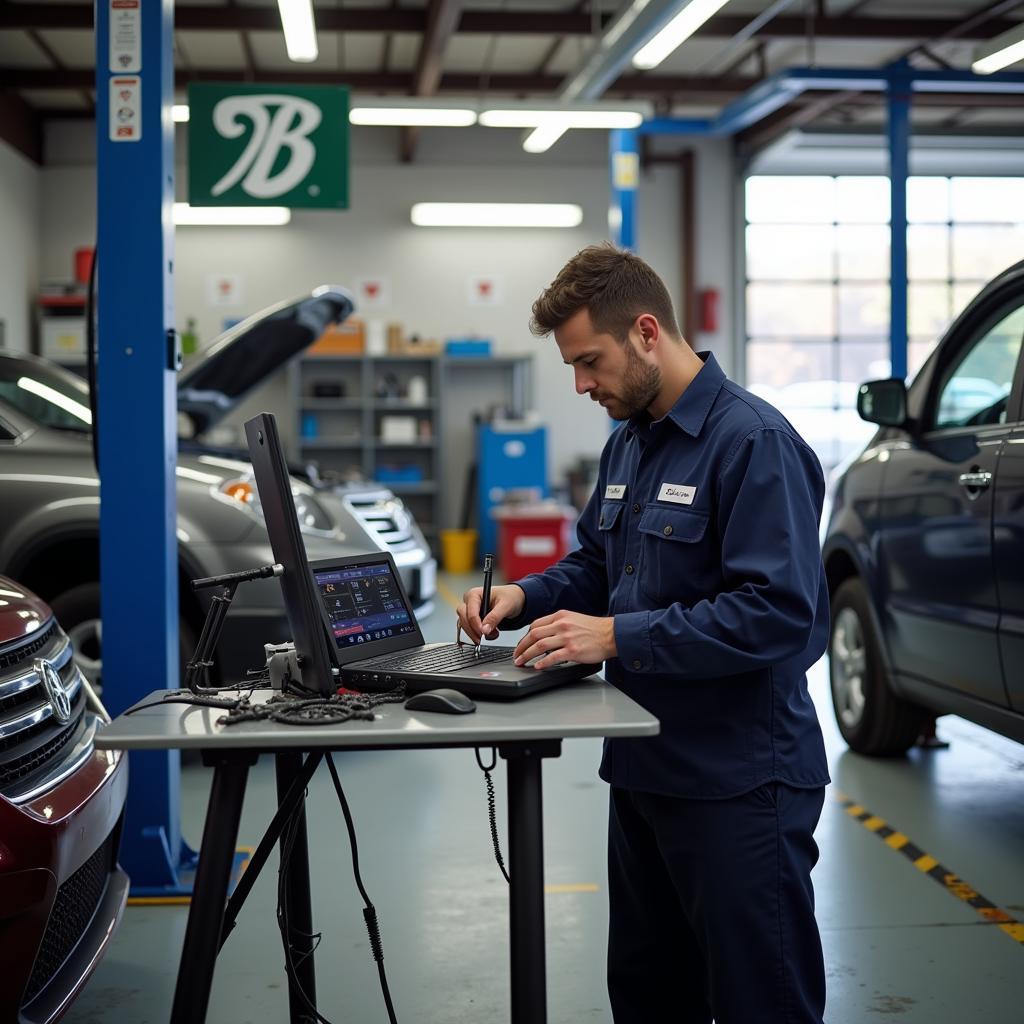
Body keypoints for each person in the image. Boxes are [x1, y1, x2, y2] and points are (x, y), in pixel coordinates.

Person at [457, 242, 830, 1024]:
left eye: (590, 361)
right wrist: (523, 596)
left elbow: (781, 614)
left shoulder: (752, 442)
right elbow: (599, 561)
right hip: (644, 774)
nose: (582, 384)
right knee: (649, 997)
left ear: (648, 332)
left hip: (739, 783)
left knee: (761, 1001)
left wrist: (619, 637)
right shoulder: (630, 438)